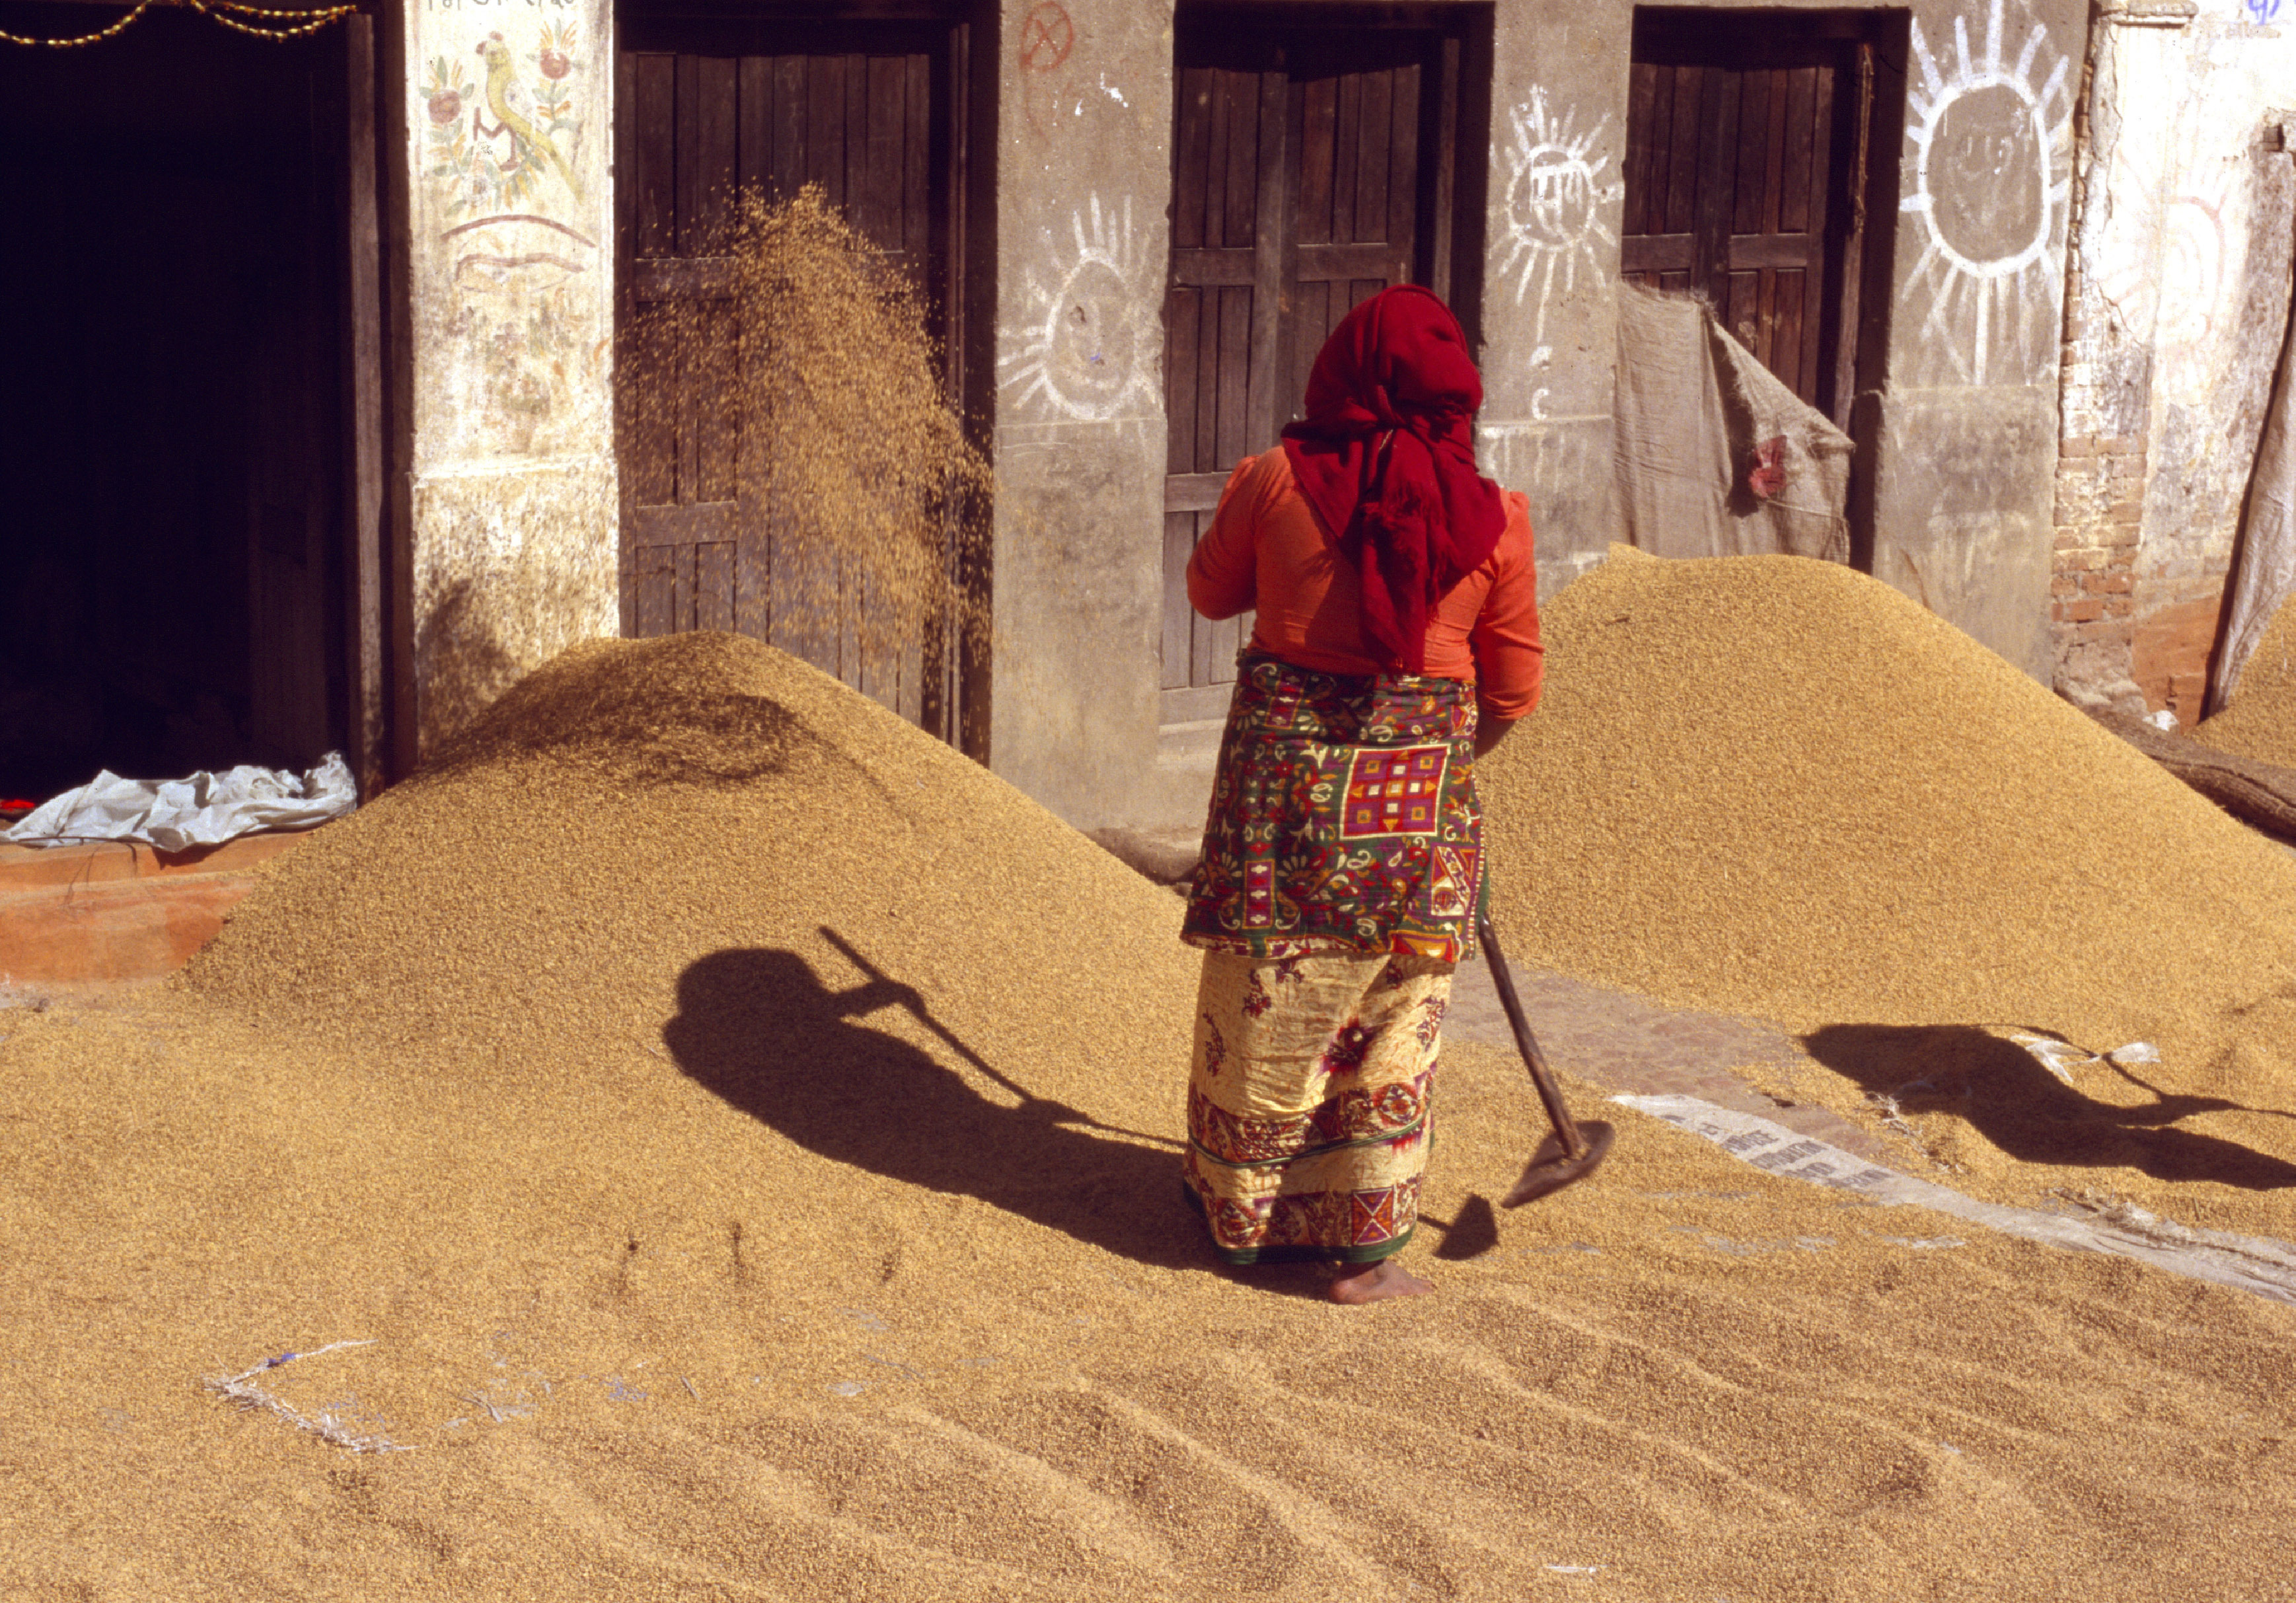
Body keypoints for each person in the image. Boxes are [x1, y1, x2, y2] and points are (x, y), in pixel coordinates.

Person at [1178, 285, 1543, 1305]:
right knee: (1392, 1006)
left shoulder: (1274, 480)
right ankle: (1357, 1253)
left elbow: (1210, 594)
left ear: (1341, 369)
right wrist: (1433, 758)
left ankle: (1237, 1206)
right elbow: (1514, 691)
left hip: (1279, 811)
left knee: (1268, 992)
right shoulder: (1498, 522)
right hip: (1413, 811)